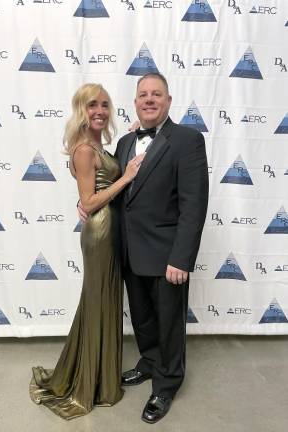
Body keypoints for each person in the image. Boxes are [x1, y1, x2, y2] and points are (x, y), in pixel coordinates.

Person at [79, 72, 209, 423]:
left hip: (168, 256)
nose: (149, 99)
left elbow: (194, 205)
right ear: (135, 102)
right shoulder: (124, 143)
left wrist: (181, 257)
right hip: (129, 252)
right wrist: (89, 204)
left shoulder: (188, 140)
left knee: (169, 322)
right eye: (143, 95)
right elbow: (118, 190)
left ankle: (166, 384)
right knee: (143, 319)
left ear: (168, 101)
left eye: (157, 94)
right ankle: (150, 362)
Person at [29, 83, 145, 420]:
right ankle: (89, 383)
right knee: (98, 301)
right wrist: (126, 178)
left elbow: (93, 189)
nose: (100, 110)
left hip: (111, 231)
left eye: (105, 105)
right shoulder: (83, 149)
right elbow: (90, 202)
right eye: (92, 104)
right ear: (81, 109)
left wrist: (136, 132)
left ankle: (101, 378)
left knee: (104, 300)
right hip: (100, 233)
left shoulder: (97, 143)